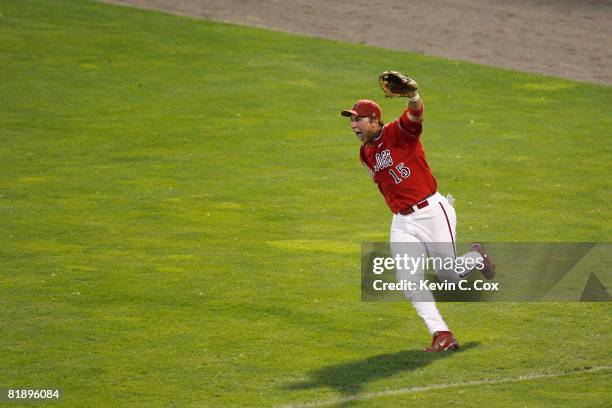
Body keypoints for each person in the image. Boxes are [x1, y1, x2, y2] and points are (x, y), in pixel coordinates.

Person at [341, 81, 495, 352]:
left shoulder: (398, 133)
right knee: (408, 280)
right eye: (351, 121)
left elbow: (415, 114)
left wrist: (413, 95)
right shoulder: (365, 153)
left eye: (359, 120)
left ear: (375, 120)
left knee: (449, 278)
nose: (353, 125)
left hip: (432, 213)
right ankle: (442, 334)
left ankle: (476, 257)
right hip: (401, 221)